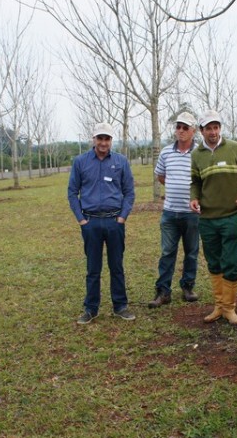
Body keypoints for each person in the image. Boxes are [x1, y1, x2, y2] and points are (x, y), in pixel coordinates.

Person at [190, 110, 237, 325]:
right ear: (201, 131)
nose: (213, 132)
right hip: (207, 217)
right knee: (213, 262)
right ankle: (218, 306)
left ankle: (230, 308)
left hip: (231, 216)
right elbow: (196, 181)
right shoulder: (196, 154)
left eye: (216, 127)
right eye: (208, 128)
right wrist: (194, 198)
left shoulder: (234, 148)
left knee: (231, 261)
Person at [68, 122, 136, 324]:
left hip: (115, 222)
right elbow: (72, 192)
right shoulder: (80, 162)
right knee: (93, 268)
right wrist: (81, 219)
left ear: (111, 140)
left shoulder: (121, 162)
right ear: (94, 139)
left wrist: (122, 217)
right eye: (100, 138)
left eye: (107, 138)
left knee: (116, 266)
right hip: (91, 223)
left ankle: (120, 306)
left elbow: (129, 192)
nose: (103, 142)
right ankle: (91, 308)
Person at [149, 112, 200, 308]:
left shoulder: (200, 153)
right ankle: (163, 291)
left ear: (193, 131)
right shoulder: (166, 152)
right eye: (178, 126)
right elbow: (160, 176)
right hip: (170, 212)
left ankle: (187, 287)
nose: (180, 130)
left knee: (192, 252)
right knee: (167, 252)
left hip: (192, 214)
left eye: (185, 127)